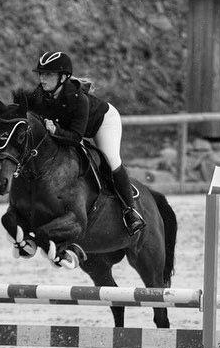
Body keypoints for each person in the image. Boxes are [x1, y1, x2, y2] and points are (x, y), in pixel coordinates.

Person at [27, 51, 146, 236]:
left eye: (48, 74)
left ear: (63, 77)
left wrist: (56, 131)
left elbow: (75, 137)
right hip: (72, 128)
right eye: (41, 74)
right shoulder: (41, 94)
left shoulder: (78, 98)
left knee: (111, 160)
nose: (42, 78)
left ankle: (130, 211)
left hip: (102, 122)